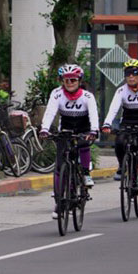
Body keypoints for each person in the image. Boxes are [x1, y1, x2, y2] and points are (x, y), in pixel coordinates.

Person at [39, 64, 100, 218]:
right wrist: (45, 129)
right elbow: (50, 112)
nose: (70, 83)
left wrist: (94, 131)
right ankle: (60, 202)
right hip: (65, 130)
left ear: (79, 81)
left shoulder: (87, 97)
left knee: (83, 144)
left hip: (83, 129)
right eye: (66, 80)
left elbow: (94, 115)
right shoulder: (57, 94)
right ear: (62, 81)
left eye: (73, 80)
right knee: (60, 166)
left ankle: (85, 173)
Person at [102, 58, 138, 206]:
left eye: (134, 74)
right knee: (120, 142)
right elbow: (113, 109)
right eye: (128, 74)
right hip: (127, 123)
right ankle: (123, 166)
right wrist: (107, 123)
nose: (131, 77)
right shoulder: (121, 91)